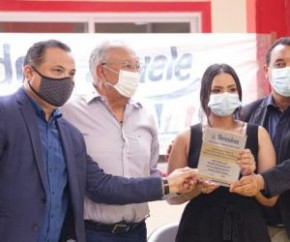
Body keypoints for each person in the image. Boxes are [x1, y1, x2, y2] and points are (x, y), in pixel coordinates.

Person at [0, 39, 197, 242]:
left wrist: (170, 184)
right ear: (29, 72)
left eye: (71, 74)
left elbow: (100, 185)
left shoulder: (68, 132)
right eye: (57, 71)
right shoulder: (12, 113)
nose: (65, 80)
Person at [60, 40, 163, 242]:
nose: (134, 73)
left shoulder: (145, 115)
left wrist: (182, 185)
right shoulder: (69, 111)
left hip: (137, 231)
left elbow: (151, 174)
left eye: (137, 66)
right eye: (127, 66)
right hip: (90, 232)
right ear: (101, 71)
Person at [166, 63, 277, 242]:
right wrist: (196, 190)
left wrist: (252, 178)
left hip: (248, 228)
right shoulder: (186, 137)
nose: (225, 95)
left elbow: (270, 201)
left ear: (239, 94)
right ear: (205, 95)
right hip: (199, 229)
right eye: (216, 90)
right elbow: (171, 198)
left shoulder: (259, 135)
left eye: (232, 90)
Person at [233, 36, 290, 242]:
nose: (286, 70)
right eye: (280, 64)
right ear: (267, 71)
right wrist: (190, 149)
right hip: (254, 227)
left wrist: (262, 180)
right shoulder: (247, 113)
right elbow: (227, 151)